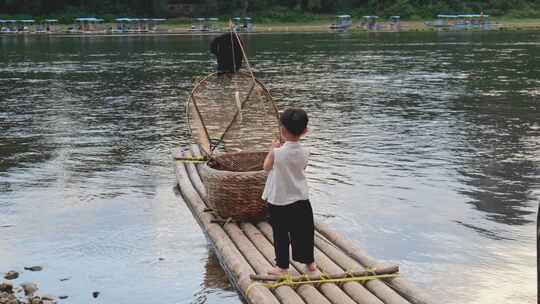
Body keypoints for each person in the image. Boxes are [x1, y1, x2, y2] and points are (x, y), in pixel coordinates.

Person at [262, 108, 317, 276]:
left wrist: (272, 149)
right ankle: (310, 263)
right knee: (304, 233)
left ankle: (282, 267)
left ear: (282, 130)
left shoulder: (277, 153)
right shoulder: (306, 152)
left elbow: (266, 167)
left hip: (279, 202)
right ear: (305, 131)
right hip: (301, 199)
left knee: (281, 234)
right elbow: (302, 168)